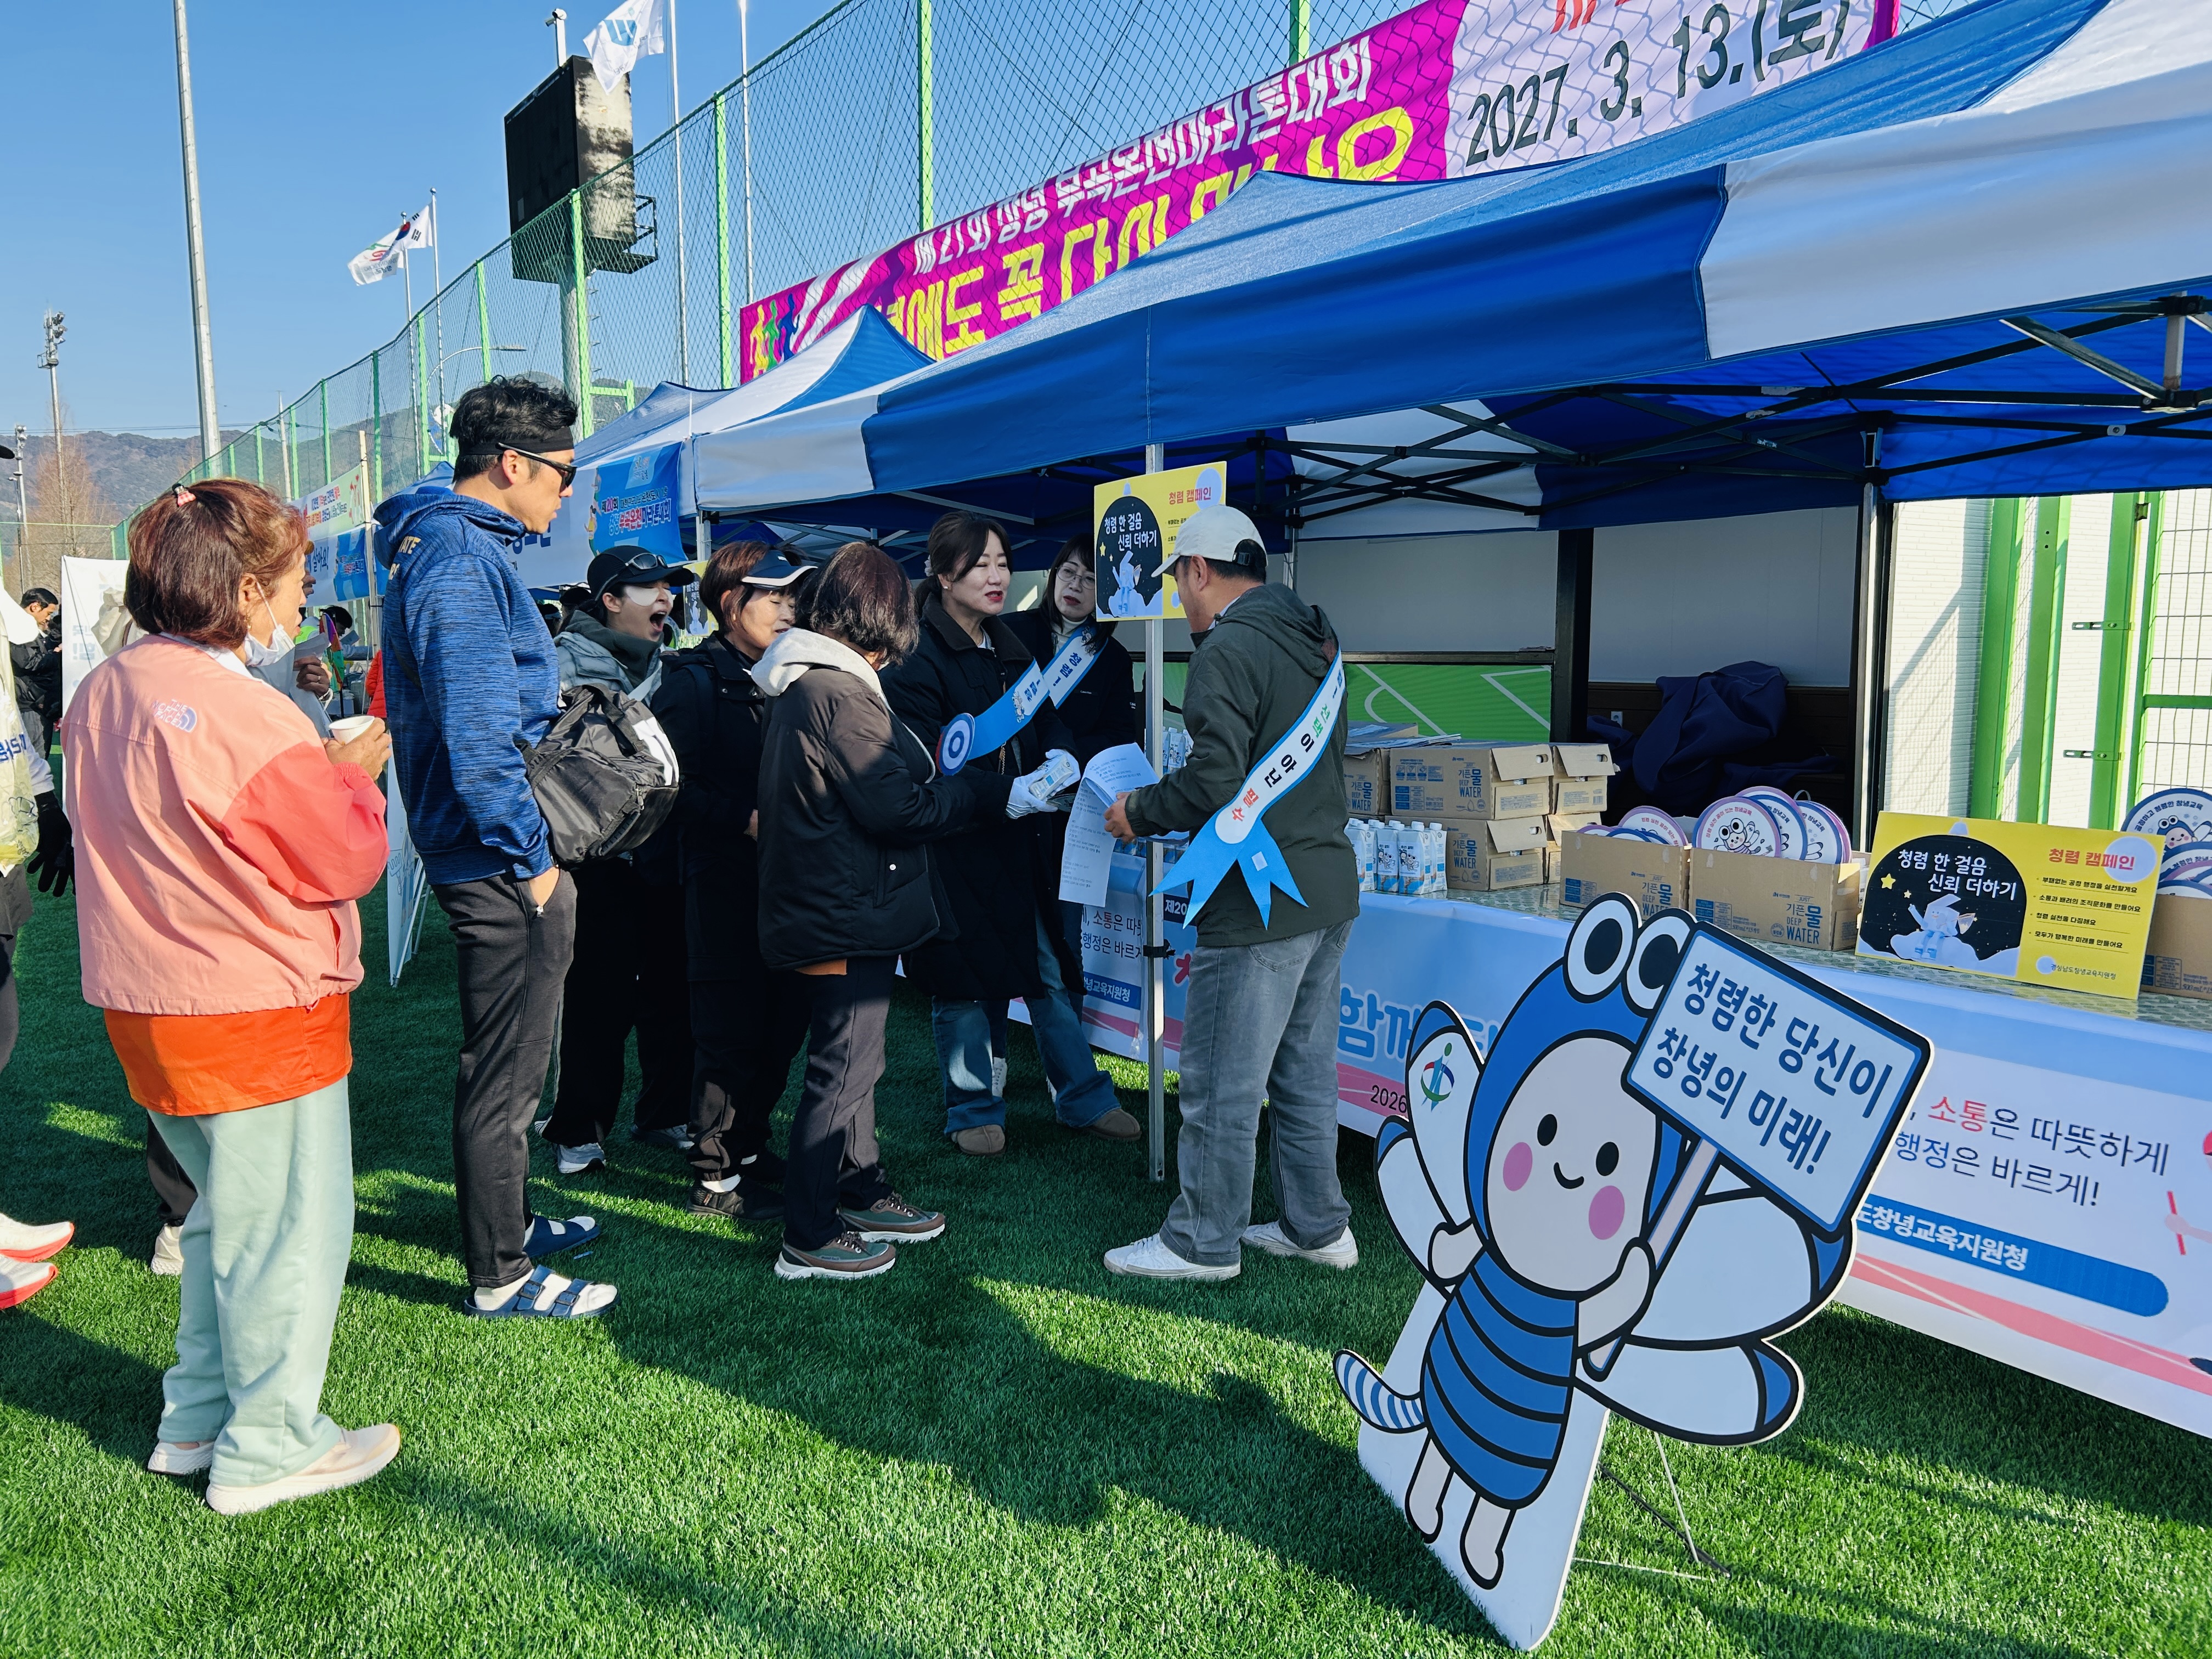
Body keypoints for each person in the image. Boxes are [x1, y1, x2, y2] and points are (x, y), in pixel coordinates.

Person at [65, 478, 401, 1513]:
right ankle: (267, 1443)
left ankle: (198, 1415)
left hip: (150, 1001)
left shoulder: (104, 686)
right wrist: (351, 770)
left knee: (227, 1220)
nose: (305, 596)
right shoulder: (247, 711)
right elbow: (344, 860)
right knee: (289, 1230)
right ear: (247, 586)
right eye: (297, 578)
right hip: (256, 1003)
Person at [379, 376, 613, 1319]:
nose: (567, 492)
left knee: (515, 1062)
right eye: (561, 472)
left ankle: (507, 1218)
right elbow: (480, 745)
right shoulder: (454, 559)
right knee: (506, 1070)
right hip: (497, 859)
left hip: (493, 851)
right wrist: (534, 864)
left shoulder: (454, 548)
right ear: (511, 463)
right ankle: (501, 1270)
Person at [1102, 504, 1359, 1280]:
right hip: (1326, 887)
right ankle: (1318, 1229)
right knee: (1305, 1071)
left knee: (1220, 1078)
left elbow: (1215, 780)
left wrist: (1137, 811)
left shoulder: (1225, 650)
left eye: (1179, 579)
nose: (1179, 599)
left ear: (1201, 571)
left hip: (1258, 898)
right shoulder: (1314, 635)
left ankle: (1202, 1242)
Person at [752, 542, 1003, 1280]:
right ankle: (810, 1231)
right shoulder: (836, 690)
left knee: (857, 1061)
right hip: (841, 908)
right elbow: (896, 806)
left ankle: (858, 1186)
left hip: (838, 903)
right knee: (844, 1068)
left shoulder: (813, 684)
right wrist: (983, 796)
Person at [883, 513, 1135, 1158]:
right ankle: (972, 1106)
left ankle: (1082, 1095)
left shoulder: (1011, 644)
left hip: (1025, 844)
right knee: (965, 979)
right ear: (944, 576)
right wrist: (1007, 793)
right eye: (982, 566)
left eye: (1003, 563)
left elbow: (1045, 715)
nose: (998, 576)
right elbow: (926, 762)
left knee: (1050, 969)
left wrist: (1059, 755)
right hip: (957, 843)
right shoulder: (916, 655)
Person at [651, 541, 814, 1223]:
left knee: (784, 1023)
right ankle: (715, 1175)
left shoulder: (798, 676)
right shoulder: (691, 679)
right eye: (773, 596)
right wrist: (739, 819)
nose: (787, 609)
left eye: (792, 597)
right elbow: (664, 787)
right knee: (729, 1029)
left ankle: (747, 1145)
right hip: (720, 881)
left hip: (791, 884)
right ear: (730, 604)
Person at [538, 547, 699, 1173]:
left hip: (666, 854)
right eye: (648, 588)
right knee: (596, 996)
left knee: (672, 986)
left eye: (669, 587)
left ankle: (665, 1113)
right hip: (594, 861)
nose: (665, 599)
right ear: (609, 599)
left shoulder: (675, 666)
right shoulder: (556, 666)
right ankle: (579, 1130)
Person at [1001, 535, 1138, 979]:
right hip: (1009, 803)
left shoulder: (1114, 658)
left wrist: (1067, 757)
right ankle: (997, 1047)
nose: (1076, 585)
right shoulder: (1010, 632)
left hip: (1069, 813)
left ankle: (1065, 1046)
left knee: (1063, 936)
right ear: (1053, 576)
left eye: (1091, 579)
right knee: (1002, 934)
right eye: (1069, 572)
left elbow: (1120, 734)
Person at [12, 586, 61, 758]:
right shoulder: (18, 628)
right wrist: (57, 655)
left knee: (37, 756)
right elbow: (29, 663)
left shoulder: (27, 629)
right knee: (35, 758)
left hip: (37, 702)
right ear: (35, 607)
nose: (48, 619)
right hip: (31, 704)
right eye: (48, 613)